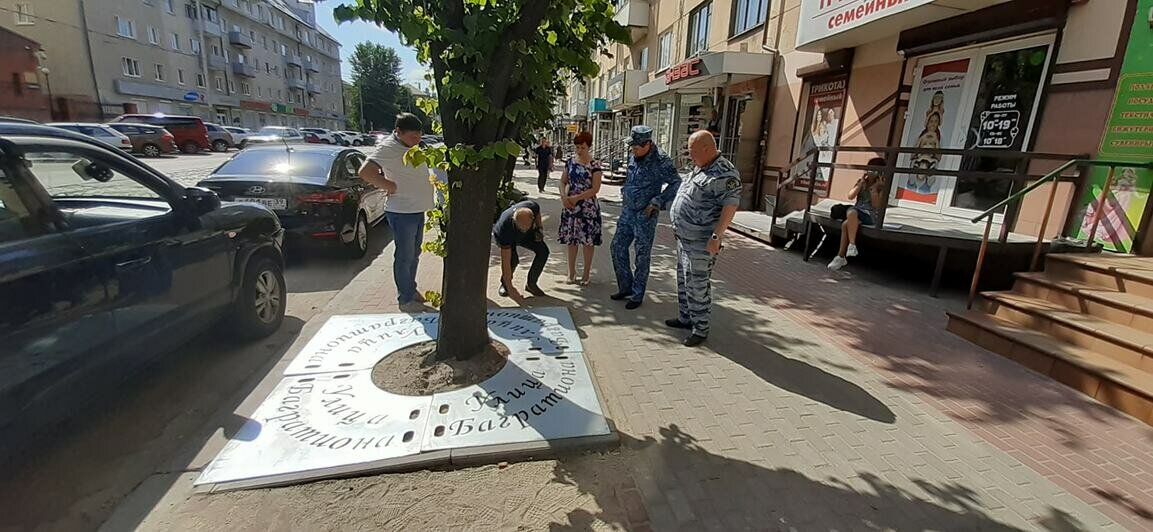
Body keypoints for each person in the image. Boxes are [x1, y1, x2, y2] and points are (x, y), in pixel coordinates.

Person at [667, 131, 741, 347]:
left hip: (702, 242)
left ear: (708, 149)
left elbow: (731, 205)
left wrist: (717, 236)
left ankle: (700, 328)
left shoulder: (724, 173)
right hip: (685, 239)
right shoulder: (701, 166)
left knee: (697, 285)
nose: (690, 156)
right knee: (683, 281)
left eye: (693, 152)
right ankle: (685, 318)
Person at [359, 113, 435, 306]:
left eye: (419, 137)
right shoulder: (388, 148)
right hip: (402, 211)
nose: (416, 141)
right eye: (412, 137)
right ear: (398, 132)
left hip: (416, 209)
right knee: (404, 255)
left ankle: (410, 288)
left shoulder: (409, 145)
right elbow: (365, 172)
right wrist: (389, 186)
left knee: (414, 254)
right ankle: (405, 297)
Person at [611, 125, 681, 310]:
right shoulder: (634, 155)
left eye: (636, 147)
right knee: (617, 247)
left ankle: (637, 294)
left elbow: (676, 183)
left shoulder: (661, 161)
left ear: (647, 144)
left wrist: (658, 201)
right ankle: (625, 286)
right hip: (628, 211)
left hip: (645, 214)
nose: (633, 150)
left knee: (642, 255)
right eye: (632, 147)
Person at [558, 131, 603, 285]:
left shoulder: (595, 165)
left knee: (588, 242)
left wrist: (577, 198)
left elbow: (596, 188)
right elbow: (563, 181)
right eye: (577, 147)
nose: (579, 150)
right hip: (571, 206)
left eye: (582, 147)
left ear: (588, 147)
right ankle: (571, 273)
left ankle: (586, 273)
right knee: (572, 240)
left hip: (588, 207)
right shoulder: (570, 161)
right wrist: (564, 197)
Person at [829, 157, 888, 272]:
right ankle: (841, 256)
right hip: (857, 213)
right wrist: (859, 185)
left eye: (875, 171)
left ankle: (851, 245)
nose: (871, 174)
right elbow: (850, 196)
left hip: (871, 216)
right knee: (845, 224)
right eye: (869, 170)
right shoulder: (861, 182)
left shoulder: (881, 187)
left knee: (851, 212)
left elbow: (876, 205)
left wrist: (874, 189)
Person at [493, 200, 549, 300]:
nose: (525, 229)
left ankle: (531, 284)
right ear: (515, 221)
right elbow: (505, 261)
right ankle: (505, 285)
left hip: (527, 235)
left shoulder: (532, 206)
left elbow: (537, 214)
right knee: (512, 260)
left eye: (528, 226)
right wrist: (511, 288)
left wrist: (539, 228)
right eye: (523, 228)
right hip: (510, 235)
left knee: (543, 251)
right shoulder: (505, 229)